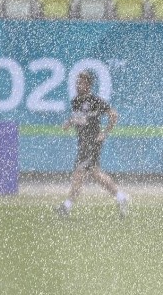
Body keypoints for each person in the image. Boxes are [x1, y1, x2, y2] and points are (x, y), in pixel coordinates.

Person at [56, 71, 129, 218]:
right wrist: (69, 122)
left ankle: (66, 207)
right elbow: (80, 118)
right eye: (77, 82)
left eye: (81, 82)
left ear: (88, 85)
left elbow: (114, 115)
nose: (78, 85)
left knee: (79, 172)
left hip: (92, 143)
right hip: (83, 143)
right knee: (95, 174)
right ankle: (121, 198)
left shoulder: (95, 101)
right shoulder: (75, 101)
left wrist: (104, 132)